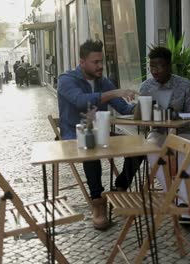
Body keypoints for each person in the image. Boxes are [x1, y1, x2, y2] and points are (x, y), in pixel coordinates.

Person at [58, 39, 142, 230]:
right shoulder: (66, 80)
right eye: (95, 62)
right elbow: (80, 101)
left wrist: (142, 106)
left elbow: (123, 108)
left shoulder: (103, 82)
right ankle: (98, 202)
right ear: (82, 62)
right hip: (74, 136)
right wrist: (113, 93)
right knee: (90, 150)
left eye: (101, 62)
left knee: (140, 147)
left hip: (101, 134)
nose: (100, 66)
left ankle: (119, 188)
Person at [139, 46, 190, 224]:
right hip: (158, 132)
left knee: (186, 153)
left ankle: (184, 207)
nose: (155, 71)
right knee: (150, 149)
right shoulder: (146, 86)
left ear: (169, 66)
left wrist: (175, 119)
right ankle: (173, 194)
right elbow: (142, 119)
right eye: (152, 67)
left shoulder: (184, 84)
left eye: (160, 66)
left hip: (181, 131)